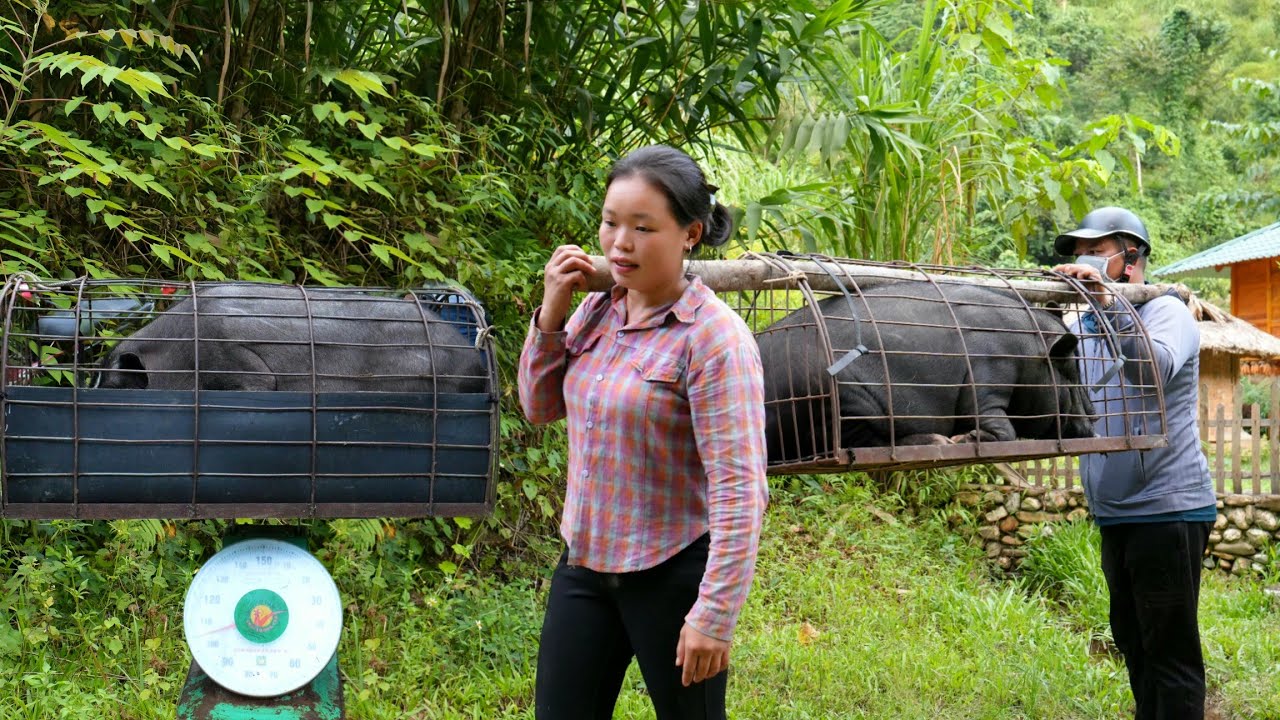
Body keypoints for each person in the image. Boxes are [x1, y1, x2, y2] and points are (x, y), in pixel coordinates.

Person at [518, 144, 768, 720]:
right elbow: (538, 407)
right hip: (585, 564)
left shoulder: (714, 340)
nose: (619, 244)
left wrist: (714, 616)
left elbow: (739, 492)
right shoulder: (597, 310)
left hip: (671, 572)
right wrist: (552, 311)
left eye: (642, 227)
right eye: (610, 223)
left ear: (690, 234)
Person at [1052, 206, 1217, 720]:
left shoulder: (1166, 311)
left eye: (1095, 252)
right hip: (1115, 513)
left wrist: (1109, 303)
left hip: (1167, 509)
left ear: (1130, 257)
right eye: (1079, 253)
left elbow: (1152, 370)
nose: (1084, 260)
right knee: (1132, 638)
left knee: (1169, 649)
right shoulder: (1081, 325)